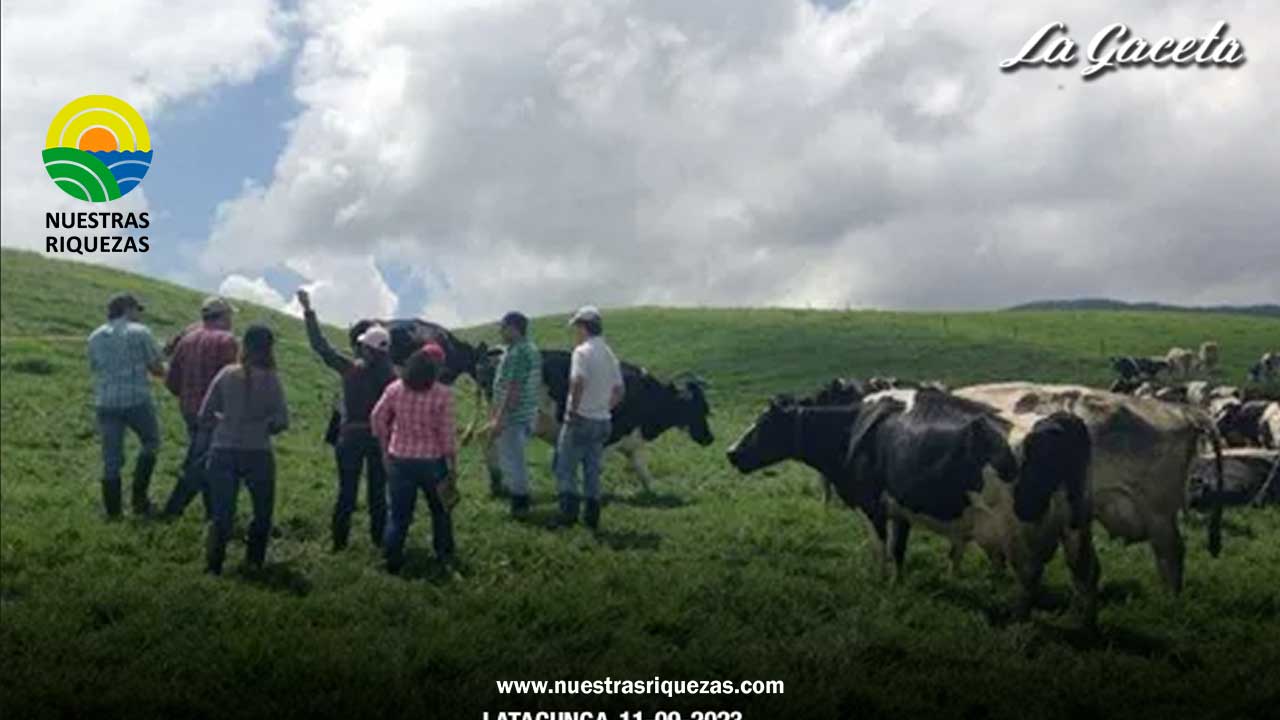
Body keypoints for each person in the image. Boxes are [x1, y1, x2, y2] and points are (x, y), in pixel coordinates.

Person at [297, 289, 397, 551]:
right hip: (379, 439)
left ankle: (339, 544)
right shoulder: (393, 378)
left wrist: (308, 311)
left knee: (346, 493)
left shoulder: (351, 368)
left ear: (366, 347)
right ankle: (379, 542)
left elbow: (320, 346)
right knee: (378, 494)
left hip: (350, 436)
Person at [200, 325, 289, 575]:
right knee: (262, 512)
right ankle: (253, 562)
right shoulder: (272, 379)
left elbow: (204, 414)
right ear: (269, 348)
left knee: (222, 513)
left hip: (223, 448)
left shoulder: (227, 374)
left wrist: (225, 422)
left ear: (244, 345)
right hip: (257, 450)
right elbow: (282, 421)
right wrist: (265, 425)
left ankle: (213, 565)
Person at [371, 344, 458, 574]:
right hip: (432, 461)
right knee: (441, 511)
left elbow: (377, 418)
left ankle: (392, 559)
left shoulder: (395, 388)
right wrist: (453, 466)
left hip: (399, 458)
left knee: (399, 515)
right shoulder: (444, 394)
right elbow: (447, 435)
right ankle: (443, 555)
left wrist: (384, 449)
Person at [87, 292, 165, 518]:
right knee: (151, 442)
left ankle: (113, 513)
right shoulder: (141, 332)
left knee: (111, 459)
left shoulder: (94, 336)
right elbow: (156, 369)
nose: (139, 314)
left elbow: (95, 367)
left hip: (106, 401)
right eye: (137, 309)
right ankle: (139, 500)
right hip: (136, 400)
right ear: (128, 309)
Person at [160, 296, 239, 520]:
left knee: (206, 459)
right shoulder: (227, 341)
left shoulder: (187, 340)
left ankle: (212, 514)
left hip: (189, 410)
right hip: (215, 414)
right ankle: (172, 510)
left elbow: (171, 380)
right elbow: (232, 380)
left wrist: (185, 398)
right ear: (222, 316)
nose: (231, 320)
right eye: (229, 315)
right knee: (199, 463)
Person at [553, 306, 623, 530]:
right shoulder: (609, 354)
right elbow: (620, 390)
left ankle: (568, 515)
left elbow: (577, 383)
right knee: (592, 470)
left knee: (565, 467)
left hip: (580, 419)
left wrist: (573, 411)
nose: (575, 332)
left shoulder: (581, 352)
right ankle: (592, 518)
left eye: (577, 327)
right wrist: (605, 407)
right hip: (603, 421)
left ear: (584, 327)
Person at [486, 311, 542, 516]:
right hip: (525, 414)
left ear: (513, 328)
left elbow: (514, 389)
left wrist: (500, 419)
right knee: (514, 457)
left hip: (513, 417)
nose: (500, 331)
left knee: (513, 460)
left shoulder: (518, 353)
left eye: (503, 327)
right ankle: (520, 496)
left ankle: (520, 504)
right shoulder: (529, 348)